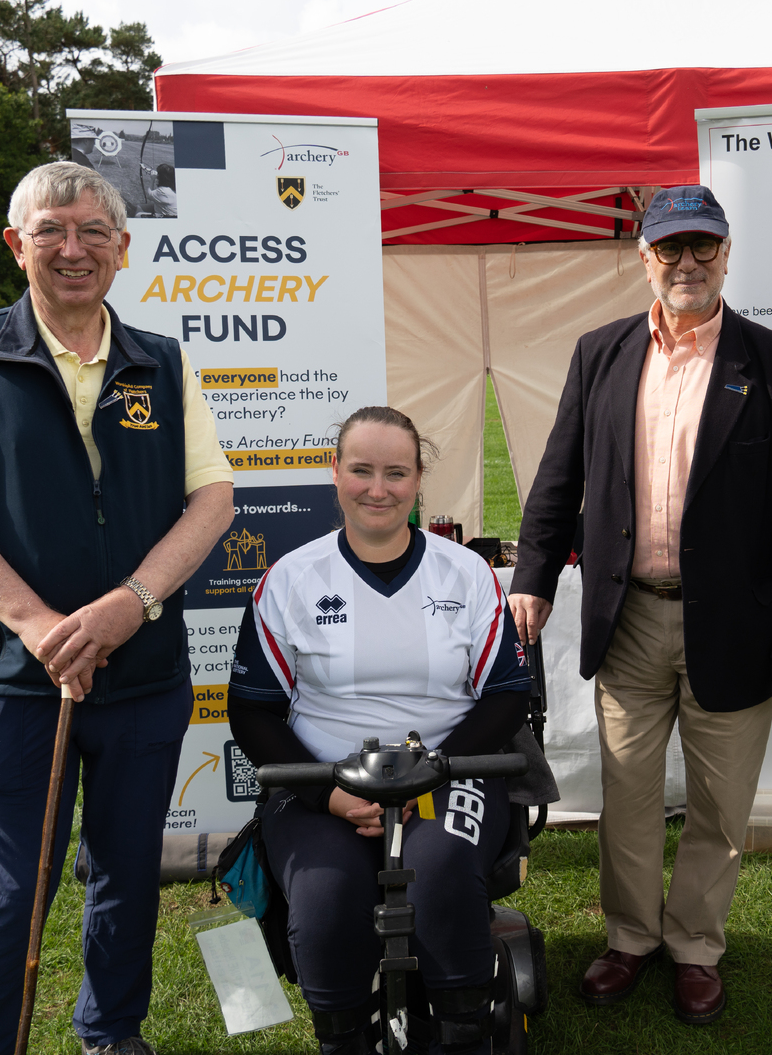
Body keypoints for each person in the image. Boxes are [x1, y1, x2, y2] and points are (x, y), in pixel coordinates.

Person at [0, 161, 235, 1055]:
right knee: (12, 889)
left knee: (126, 876)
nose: (71, 249)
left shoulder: (165, 359)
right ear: (17, 245)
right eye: (50, 231)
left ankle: (111, 1034)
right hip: (15, 680)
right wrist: (40, 627)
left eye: (91, 232)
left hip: (145, 674)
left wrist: (133, 602)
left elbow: (212, 502)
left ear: (122, 249)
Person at [509, 185, 772, 1024]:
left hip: (737, 623)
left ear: (727, 253)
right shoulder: (600, 353)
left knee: (721, 805)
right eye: (669, 247)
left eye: (703, 246)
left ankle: (695, 944)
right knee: (628, 792)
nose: (686, 262)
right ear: (644, 256)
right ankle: (629, 936)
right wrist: (534, 573)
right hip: (629, 617)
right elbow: (559, 474)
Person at [227, 406, 551, 1055]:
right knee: (326, 893)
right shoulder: (289, 579)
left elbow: (509, 693)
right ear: (336, 474)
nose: (378, 487)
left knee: (440, 872)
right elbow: (252, 709)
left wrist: (433, 765)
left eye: (396, 472)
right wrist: (331, 796)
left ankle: (463, 1031)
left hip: (451, 769)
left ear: (418, 477)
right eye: (362, 469)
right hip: (325, 780)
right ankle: (344, 1037)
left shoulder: (467, 574)